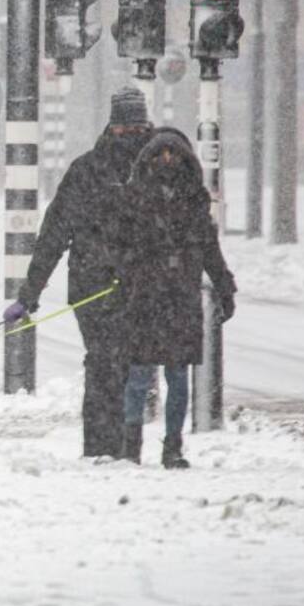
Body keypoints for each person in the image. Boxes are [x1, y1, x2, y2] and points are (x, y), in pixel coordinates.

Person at [4, 87, 154, 458]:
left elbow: (55, 235)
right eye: (127, 127)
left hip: (111, 286)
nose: (132, 135)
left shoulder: (98, 169)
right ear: (115, 126)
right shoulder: (104, 170)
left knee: (115, 365)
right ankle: (113, 447)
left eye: (137, 128)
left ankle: (111, 446)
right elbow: (54, 234)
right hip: (106, 288)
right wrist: (29, 294)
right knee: (117, 365)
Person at [113, 127, 236, 468]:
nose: (167, 162)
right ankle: (131, 444)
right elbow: (118, 250)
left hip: (179, 299)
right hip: (146, 298)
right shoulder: (134, 200)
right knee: (138, 375)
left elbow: (211, 250)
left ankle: (172, 446)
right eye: (160, 156)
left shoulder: (194, 204)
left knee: (177, 376)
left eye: (173, 156)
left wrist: (225, 287)